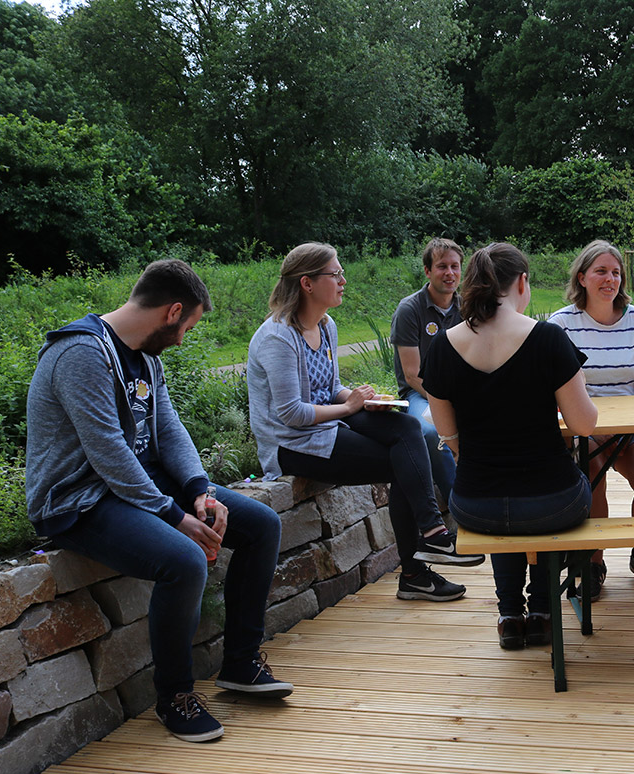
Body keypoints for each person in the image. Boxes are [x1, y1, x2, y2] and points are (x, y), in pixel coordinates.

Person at [26, 260, 291, 743]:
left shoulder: (146, 356)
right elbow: (106, 450)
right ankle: (175, 696)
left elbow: (167, 428)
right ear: (172, 311)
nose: (184, 338)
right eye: (187, 327)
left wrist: (199, 491)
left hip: (138, 487)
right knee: (185, 560)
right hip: (79, 500)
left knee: (261, 525)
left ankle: (239, 664)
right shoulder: (81, 354)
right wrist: (172, 515)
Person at [247, 242, 482, 607]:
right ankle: (419, 567)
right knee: (402, 462)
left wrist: (360, 399)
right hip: (294, 442)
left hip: (327, 424)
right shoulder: (279, 337)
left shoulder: (326, 326)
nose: (343, 280)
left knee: (406, 429)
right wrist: (349, 407)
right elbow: (290, 413)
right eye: (335, 274)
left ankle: (433, 536)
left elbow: (329, 389)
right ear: (307, 284)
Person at [421, 243, 597, 649]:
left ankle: (509, 615)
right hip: (553, 501)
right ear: (521, 282)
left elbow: (449, 438)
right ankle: (541, 610)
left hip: (472, 502)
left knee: (502, 508)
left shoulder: (444, 345)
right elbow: (584, 425)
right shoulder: (549, 338)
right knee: (559, 494)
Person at [549, 240, 634, 596]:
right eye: (601, 271)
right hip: (583, 423)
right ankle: (593, 562)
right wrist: (588, 427)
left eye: (616, 272)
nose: (610, 279)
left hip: (631, 423)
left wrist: (630, 421)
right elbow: (554, 385)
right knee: (590, 471)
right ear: (582, 277)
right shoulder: (561, 324)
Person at [390, 238, 465, 501]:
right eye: (442, 266)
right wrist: (448, 401)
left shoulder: (466, 306)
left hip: (459, 392)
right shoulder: (409, 310)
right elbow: (412, 374)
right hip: (417, 394)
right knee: (434, 433)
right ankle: (460, 503)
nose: (450, 273)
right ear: (427, 271)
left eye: (455, 266)